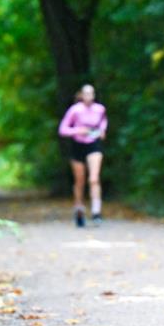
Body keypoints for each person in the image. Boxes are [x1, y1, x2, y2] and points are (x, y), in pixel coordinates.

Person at [58, 84, 108, 227]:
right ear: (81, 95)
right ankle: (79, 209)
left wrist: (102, 130)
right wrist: (78, 131)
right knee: (80, 181)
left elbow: (103, 122)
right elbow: (63, 129)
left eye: (91, 93)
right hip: (78, 145)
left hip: (94, 144)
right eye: (86, 94)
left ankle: (96, 211)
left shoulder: (100, 109)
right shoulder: (75, 110)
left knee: (93, 178)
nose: (89, 97)